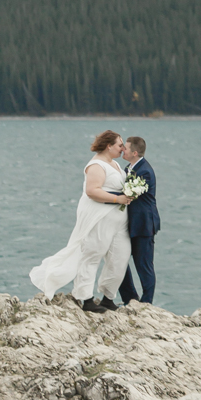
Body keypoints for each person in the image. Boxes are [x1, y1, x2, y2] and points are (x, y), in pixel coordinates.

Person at [28, 130, 130, 313]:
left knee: (120, 257)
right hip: (99, 218)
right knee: (92, 254)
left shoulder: (114, 163)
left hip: (119, 221)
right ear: (109, 146)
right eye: (120, 145)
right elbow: (92, 191)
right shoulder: (96, 165)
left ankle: (109, 297)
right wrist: (118, 199)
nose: (123, 149)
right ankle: (86, 299)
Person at [118, 135, 159, 305]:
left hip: (143, 225)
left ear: (134, 152)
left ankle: (146, 303)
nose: (122, 150)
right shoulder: (129, 167)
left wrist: (102, 196)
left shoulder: (145, 172)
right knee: (119, 261)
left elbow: (127, 194)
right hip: (129, 224)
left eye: (125, 148)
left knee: (144, 266)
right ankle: (130, 298)